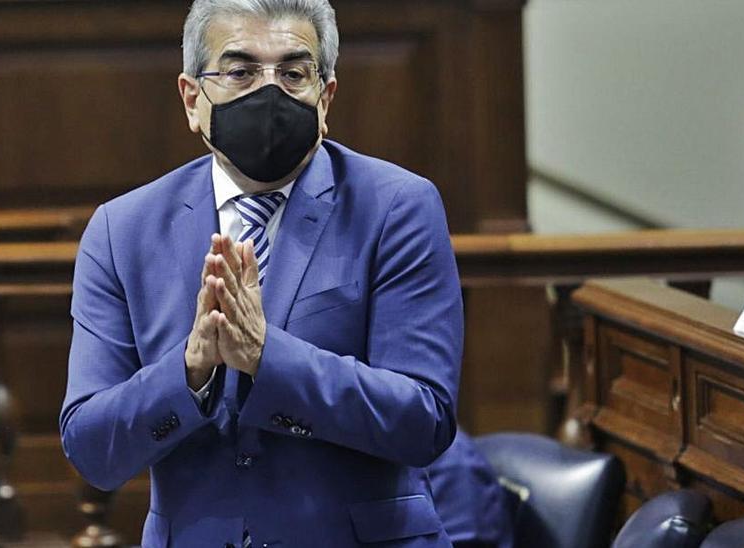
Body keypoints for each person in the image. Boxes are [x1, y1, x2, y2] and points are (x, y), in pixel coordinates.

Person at [61, 0, 488, 545]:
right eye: (240, 72)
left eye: (293, 73)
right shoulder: (123, 230)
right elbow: (91, 450)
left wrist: (268, 358)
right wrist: (190, 372)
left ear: (325, 96)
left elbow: (423, 421)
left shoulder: (396, 208)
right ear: (193, 99)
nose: (270, 92)